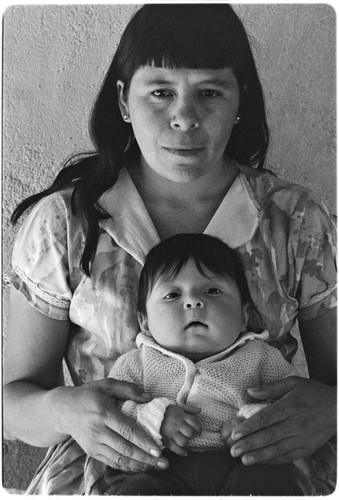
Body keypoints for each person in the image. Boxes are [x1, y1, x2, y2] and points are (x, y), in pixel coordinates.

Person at [3, 4, 336, 496]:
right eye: (160, 92)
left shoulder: (296, 221)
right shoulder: (64, 225)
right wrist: (62, 410)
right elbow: (11, 407)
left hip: (268, 472)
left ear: (240, 99)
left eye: (210, 92)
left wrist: (330, 410)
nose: (185, 117)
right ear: (123, 100)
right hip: (109, 477)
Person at [85, 233, 315, 495]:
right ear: (145, 322)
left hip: (242, 464)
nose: (193, 301)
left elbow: (290, 406)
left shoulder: (263, 357)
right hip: (155, 465)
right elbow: (112, 413)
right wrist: (156, 419)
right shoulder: (136, 364)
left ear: (244, 315)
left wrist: (252, 422)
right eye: (172, 295)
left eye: (213, 291)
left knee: (274, 483)